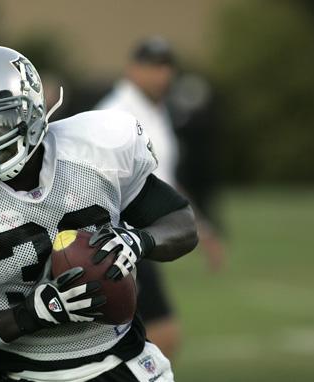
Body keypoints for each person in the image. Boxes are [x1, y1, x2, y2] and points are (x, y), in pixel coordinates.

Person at [0, 45, 197, 382]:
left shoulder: (95, 149)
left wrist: (139, 241)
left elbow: (180, 223)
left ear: (33, 108)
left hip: (121, 361)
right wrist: (30, 315)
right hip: (23, 379)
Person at [95, 37, 224, 358]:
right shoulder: (115, 113)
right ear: (132, 69)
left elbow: (163, 180)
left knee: (146, 338)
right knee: (160, 334)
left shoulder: (156, 111)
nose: (160, 75)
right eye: (152, 66)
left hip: (141, 237)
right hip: (116, 237)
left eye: (166, 66)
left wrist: (201, 229)